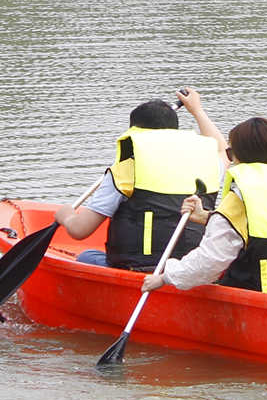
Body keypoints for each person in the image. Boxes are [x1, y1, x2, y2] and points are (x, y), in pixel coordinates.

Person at [143, 117, 267, 297]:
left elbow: (211, 259)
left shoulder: (244, 191)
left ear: (241, 154)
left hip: (264, 293)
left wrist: (166, 277)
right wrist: (207, 217)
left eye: (230, 153)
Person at [52, 91, 226, 269]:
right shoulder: (210, 163)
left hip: (141, 268)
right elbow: (223, 150)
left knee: (87, 257)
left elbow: (80, 230)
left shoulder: (126, 169)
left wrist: (66, 216)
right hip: (194, 268)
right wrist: (197, 111)